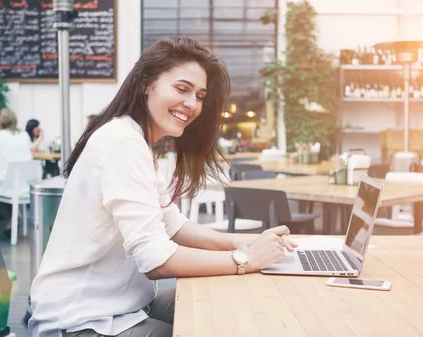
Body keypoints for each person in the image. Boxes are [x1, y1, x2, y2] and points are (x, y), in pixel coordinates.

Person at [29, 37, 297, 337]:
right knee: (219, 322)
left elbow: (172, 224)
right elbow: (155, 260)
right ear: (146, 84)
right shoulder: (123, 143)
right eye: (182, 89)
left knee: (226, 303)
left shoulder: (136, 140)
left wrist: (242, 244)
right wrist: (245, 260)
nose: (192, 104)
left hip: (121, 305)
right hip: (81, 320)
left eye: (199, 95)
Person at [0, 108, 33, 232]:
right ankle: (12, 218)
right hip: (24, 184)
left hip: (6, 184)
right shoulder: (24, 135)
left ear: (1, 121)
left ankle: (10, 219)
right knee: (2, 184)